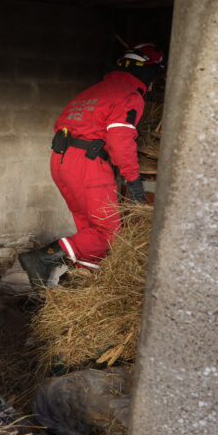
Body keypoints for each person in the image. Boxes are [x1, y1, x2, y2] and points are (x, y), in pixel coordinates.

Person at [19, 42, 165, 287]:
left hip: (61, 160)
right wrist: (133, 179)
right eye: (155, 77)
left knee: (89, 228)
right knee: (108, 233)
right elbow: (120, 139)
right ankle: (41, 259)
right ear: (147, 71)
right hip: (88, 164)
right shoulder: (129, 95)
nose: (153, 85)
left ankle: (81, 283)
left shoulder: (95, 90)